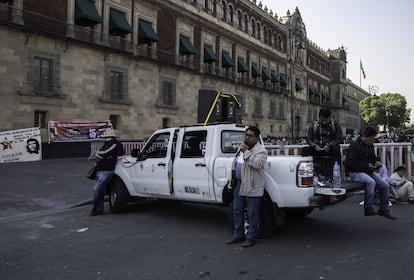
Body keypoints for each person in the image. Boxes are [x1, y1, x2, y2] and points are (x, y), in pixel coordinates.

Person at [226, 126, 267, 247]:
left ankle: (251, 237)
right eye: (246, 135)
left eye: (250, 136)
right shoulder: (242, 148)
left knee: (252, 212)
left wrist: (246, 152)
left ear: (256, 137)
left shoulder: (261, 150)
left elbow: (257, 164)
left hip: (252, 185)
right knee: (237, 210)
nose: (247, 137)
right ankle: (238, 235)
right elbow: (236, 163)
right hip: (239, 183)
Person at [346, 126, 396, 220]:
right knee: (371, 182)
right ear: (364, 136)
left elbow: (373, 158)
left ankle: (383, 209)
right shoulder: (354, 145)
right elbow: (350, 163)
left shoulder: (370, 145)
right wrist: (366, 166)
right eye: (370, 139)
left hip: (368, 172)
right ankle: (368, 207)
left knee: (385, 186)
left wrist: (376, 162)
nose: (371, 141)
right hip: (355, 173)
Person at [90, 129, 124, 216]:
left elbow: (102, 153)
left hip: (107, 169)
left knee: (96, 189)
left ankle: (96, 208)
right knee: (99, 190)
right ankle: (99, 209)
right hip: (101, 169)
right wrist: (102, 155)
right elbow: (99, 153)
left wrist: (102, 155)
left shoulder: (115, 144)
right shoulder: (107, 144)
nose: (106, 139)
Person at [307, 108, 343, 177]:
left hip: (330, 149)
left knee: (336, 149)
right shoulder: (314, 125)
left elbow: (339, 139)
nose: (324, 122)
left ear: (329, 118)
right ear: (319, 117)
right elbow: (309, 138)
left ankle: (335, 175)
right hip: (317, 149)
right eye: (322, 120)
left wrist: (330, 145)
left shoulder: (335, 125)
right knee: (306, 150)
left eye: (326, 120)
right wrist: (314, 145)